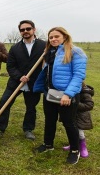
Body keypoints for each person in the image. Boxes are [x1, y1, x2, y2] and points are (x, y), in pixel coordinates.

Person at [33, 27, 87, 164]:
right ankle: (48, 144)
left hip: (66, 95)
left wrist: (68, 94)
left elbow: (78, 76)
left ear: (65, 36)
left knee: (69, 122)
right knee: (49, 120)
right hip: (50, 93)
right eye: (51, 37)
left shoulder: (76, 52)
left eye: (56, 36)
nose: (53, 39)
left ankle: (75, 150)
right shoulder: (50, 52)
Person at [0, 20, 46, 140]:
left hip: (33, 83)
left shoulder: (44, 46)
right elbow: (10, 66)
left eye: (28, 29)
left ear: (34, 30)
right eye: (22, 30)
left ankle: (28, 129)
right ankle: (0, 126)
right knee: (5, 103)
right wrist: (19, 76)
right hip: (16, 82)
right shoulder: (15, 48)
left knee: (31, 107)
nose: (25, 31)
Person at [62, 82, 94, 158]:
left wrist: (75, 104)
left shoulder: (85, 92)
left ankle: (83, 147)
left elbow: (89, 105)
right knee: (71, 131)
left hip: (80, 116)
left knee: (79, 133)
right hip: (71, 114)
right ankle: (73, 144)